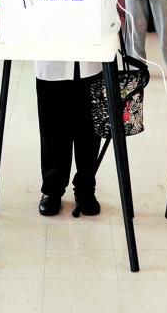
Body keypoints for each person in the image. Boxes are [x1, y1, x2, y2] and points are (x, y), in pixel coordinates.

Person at [35, 60, 102, 216]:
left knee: (89, 130)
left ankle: (86, 188)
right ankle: (52, 190)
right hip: (52, 60)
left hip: (90, 59)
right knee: (52, 129)